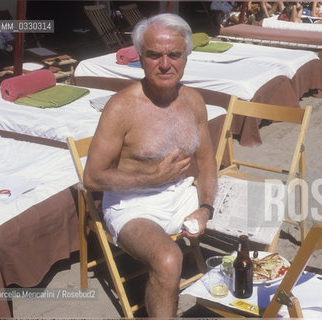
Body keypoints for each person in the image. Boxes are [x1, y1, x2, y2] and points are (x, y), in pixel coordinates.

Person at [83, 13, 217, 317]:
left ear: (186, 57)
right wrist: (152, 178)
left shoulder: (194, 101)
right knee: (169, 259)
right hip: (134, 206)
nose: (165, 64)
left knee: (259, 214)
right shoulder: (122, 107)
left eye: (174, 54)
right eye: (154, 54)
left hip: (182, 193)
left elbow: (208, 163)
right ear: (141, 58)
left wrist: (205, 208)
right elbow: (91, 178)